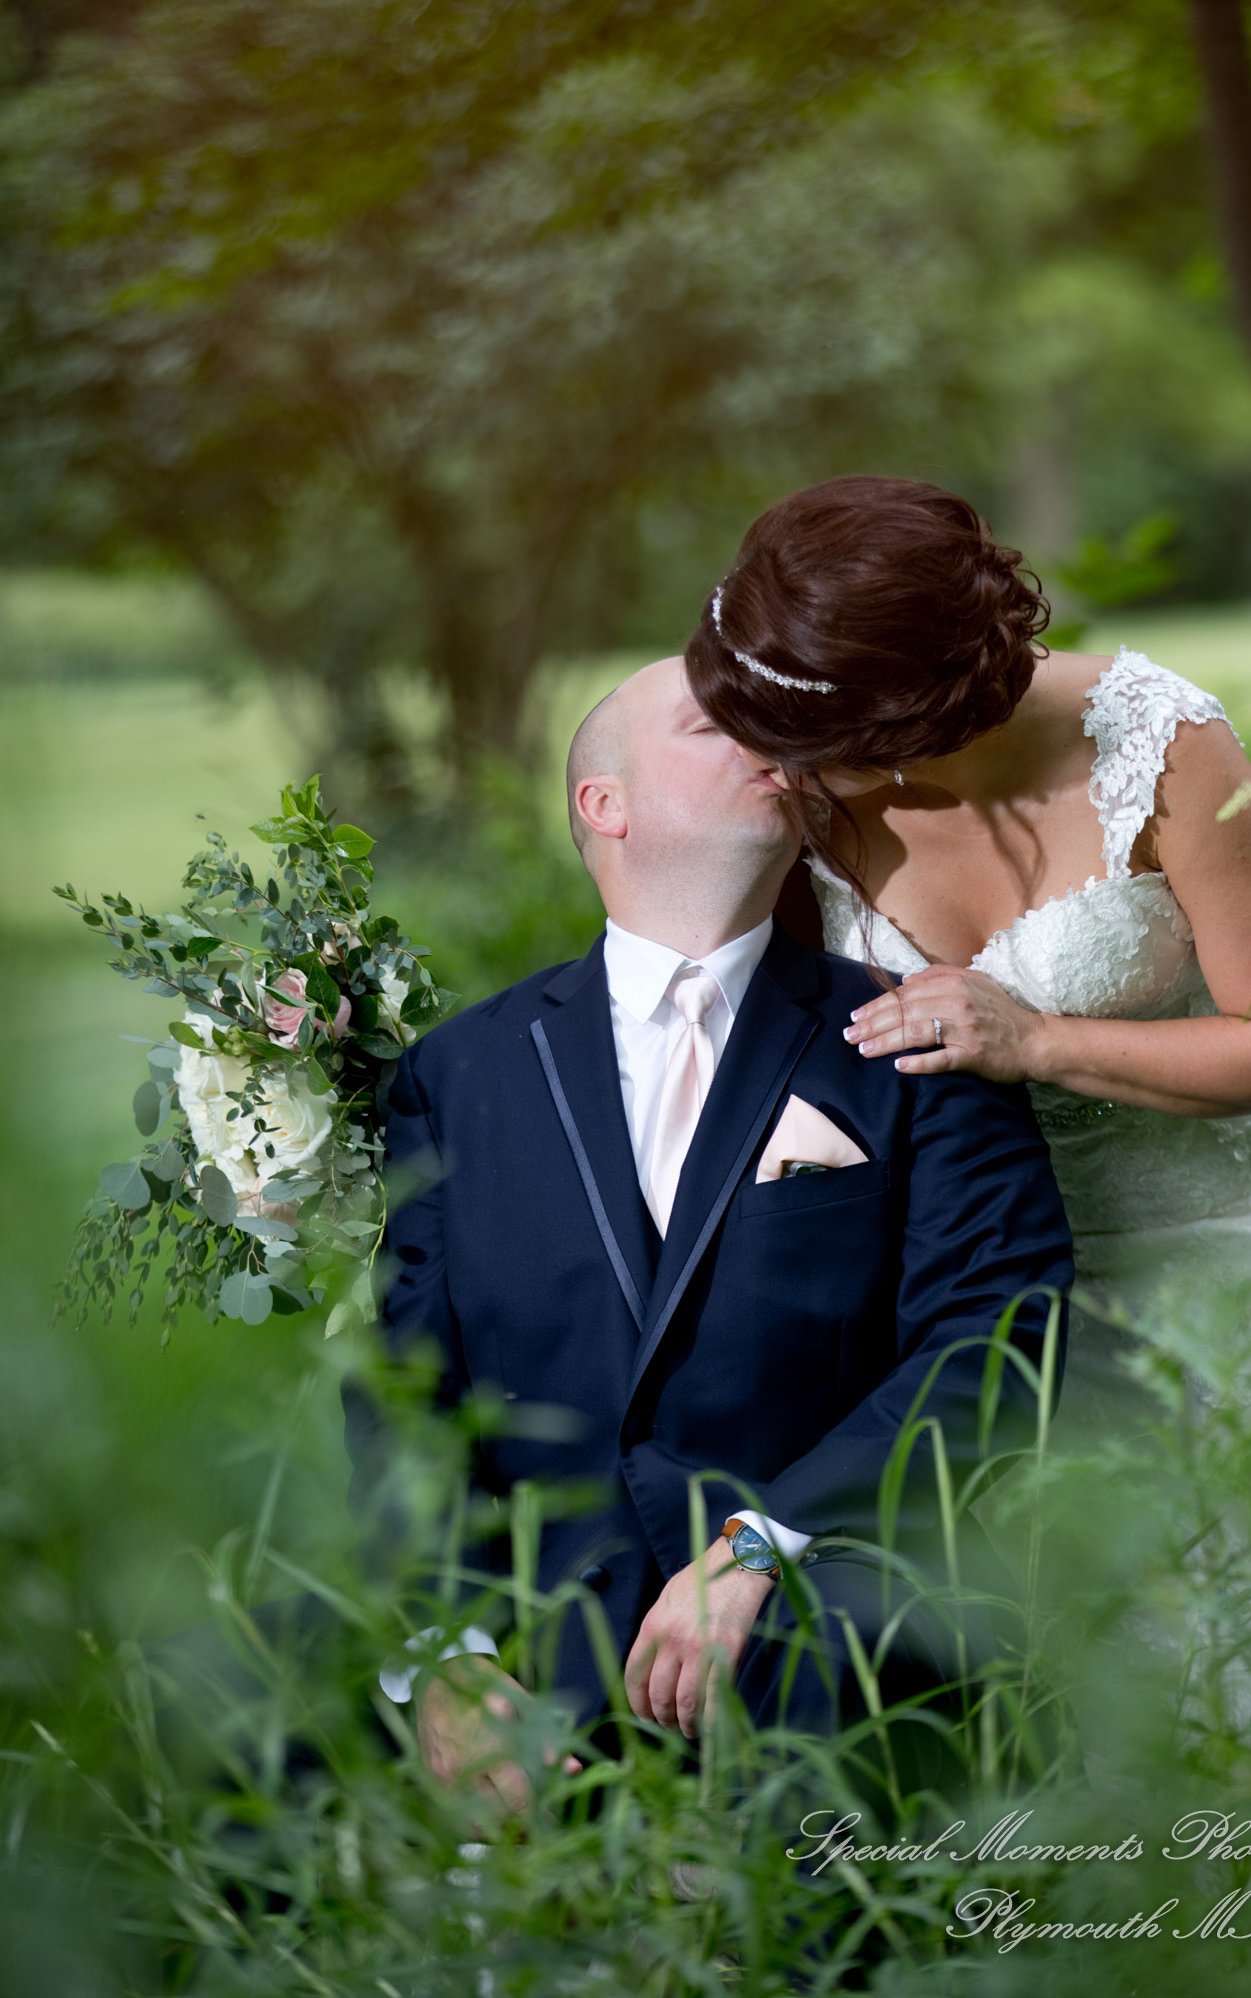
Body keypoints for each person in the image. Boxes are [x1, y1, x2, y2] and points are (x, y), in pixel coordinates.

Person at [345, 656, 1073, 1808]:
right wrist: (446, 1661)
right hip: (542, 1672)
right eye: (712, 723)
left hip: (831, 1651)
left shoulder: (916, 1029)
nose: (767, 739)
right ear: (606, 804)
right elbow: (405, 1391)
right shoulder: (460, 1071)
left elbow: (999, 1336)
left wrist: (758, 1544)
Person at [684, 475, 1251, 1429]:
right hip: (994, 1266)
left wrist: (1037, 1042)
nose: (761, 765)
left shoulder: (1160, 742)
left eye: (793, 744)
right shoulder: (800, 797)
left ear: (902, 733)